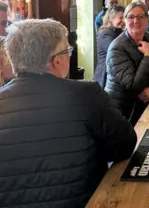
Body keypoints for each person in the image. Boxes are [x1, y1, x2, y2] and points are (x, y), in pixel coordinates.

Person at [0, 19, 137, 207]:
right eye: (68, 51)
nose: (69, 55)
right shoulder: (87, 94)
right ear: (57, 61)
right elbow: (125, 144)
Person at [105, 1, 149, 126]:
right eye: (131, 17)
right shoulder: (116, 47)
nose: (136, 21)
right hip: (122, 112)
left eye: (140, 17)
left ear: (147, 20)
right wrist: (148, 56)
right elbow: (133, 85)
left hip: (147, 106)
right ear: (125, 20)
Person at [93, 6, 125, 88]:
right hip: (105, 75)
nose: (124, 21)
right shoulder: (105, 34)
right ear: (111, 19)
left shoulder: (118, 32)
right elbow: (117, 52)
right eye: (121, 18)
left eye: (125, 17)